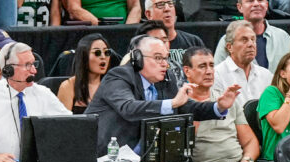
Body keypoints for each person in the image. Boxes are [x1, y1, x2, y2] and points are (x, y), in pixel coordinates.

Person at [85, 35, 239, 152]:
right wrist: (172, 103)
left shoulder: (166, 77)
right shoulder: (118, 76)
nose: (165, 64)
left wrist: (217, 107)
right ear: (137, 59)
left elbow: (184, 106)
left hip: (144, 157)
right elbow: (128, 108)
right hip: (105, 154)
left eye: (166, 58)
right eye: (158, 58)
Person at [0, 42, 70, 162]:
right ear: (8, 70)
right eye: (27, 65)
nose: (34, 70)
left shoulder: (43, 94)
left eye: (34, 64)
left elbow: (69, 126)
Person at [210, 0, 290, 74]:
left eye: (260, 0)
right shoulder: (227, 40)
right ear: (239, 7)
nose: (256, 4)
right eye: (250, 0)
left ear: (266, 5)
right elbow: (217, 76)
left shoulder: (283, 37)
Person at [213, 20, 272, 115]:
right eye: (244, 40)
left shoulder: (266, 75)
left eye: (253, 40)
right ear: (229, 47)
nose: (250, 44)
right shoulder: (216, 75)